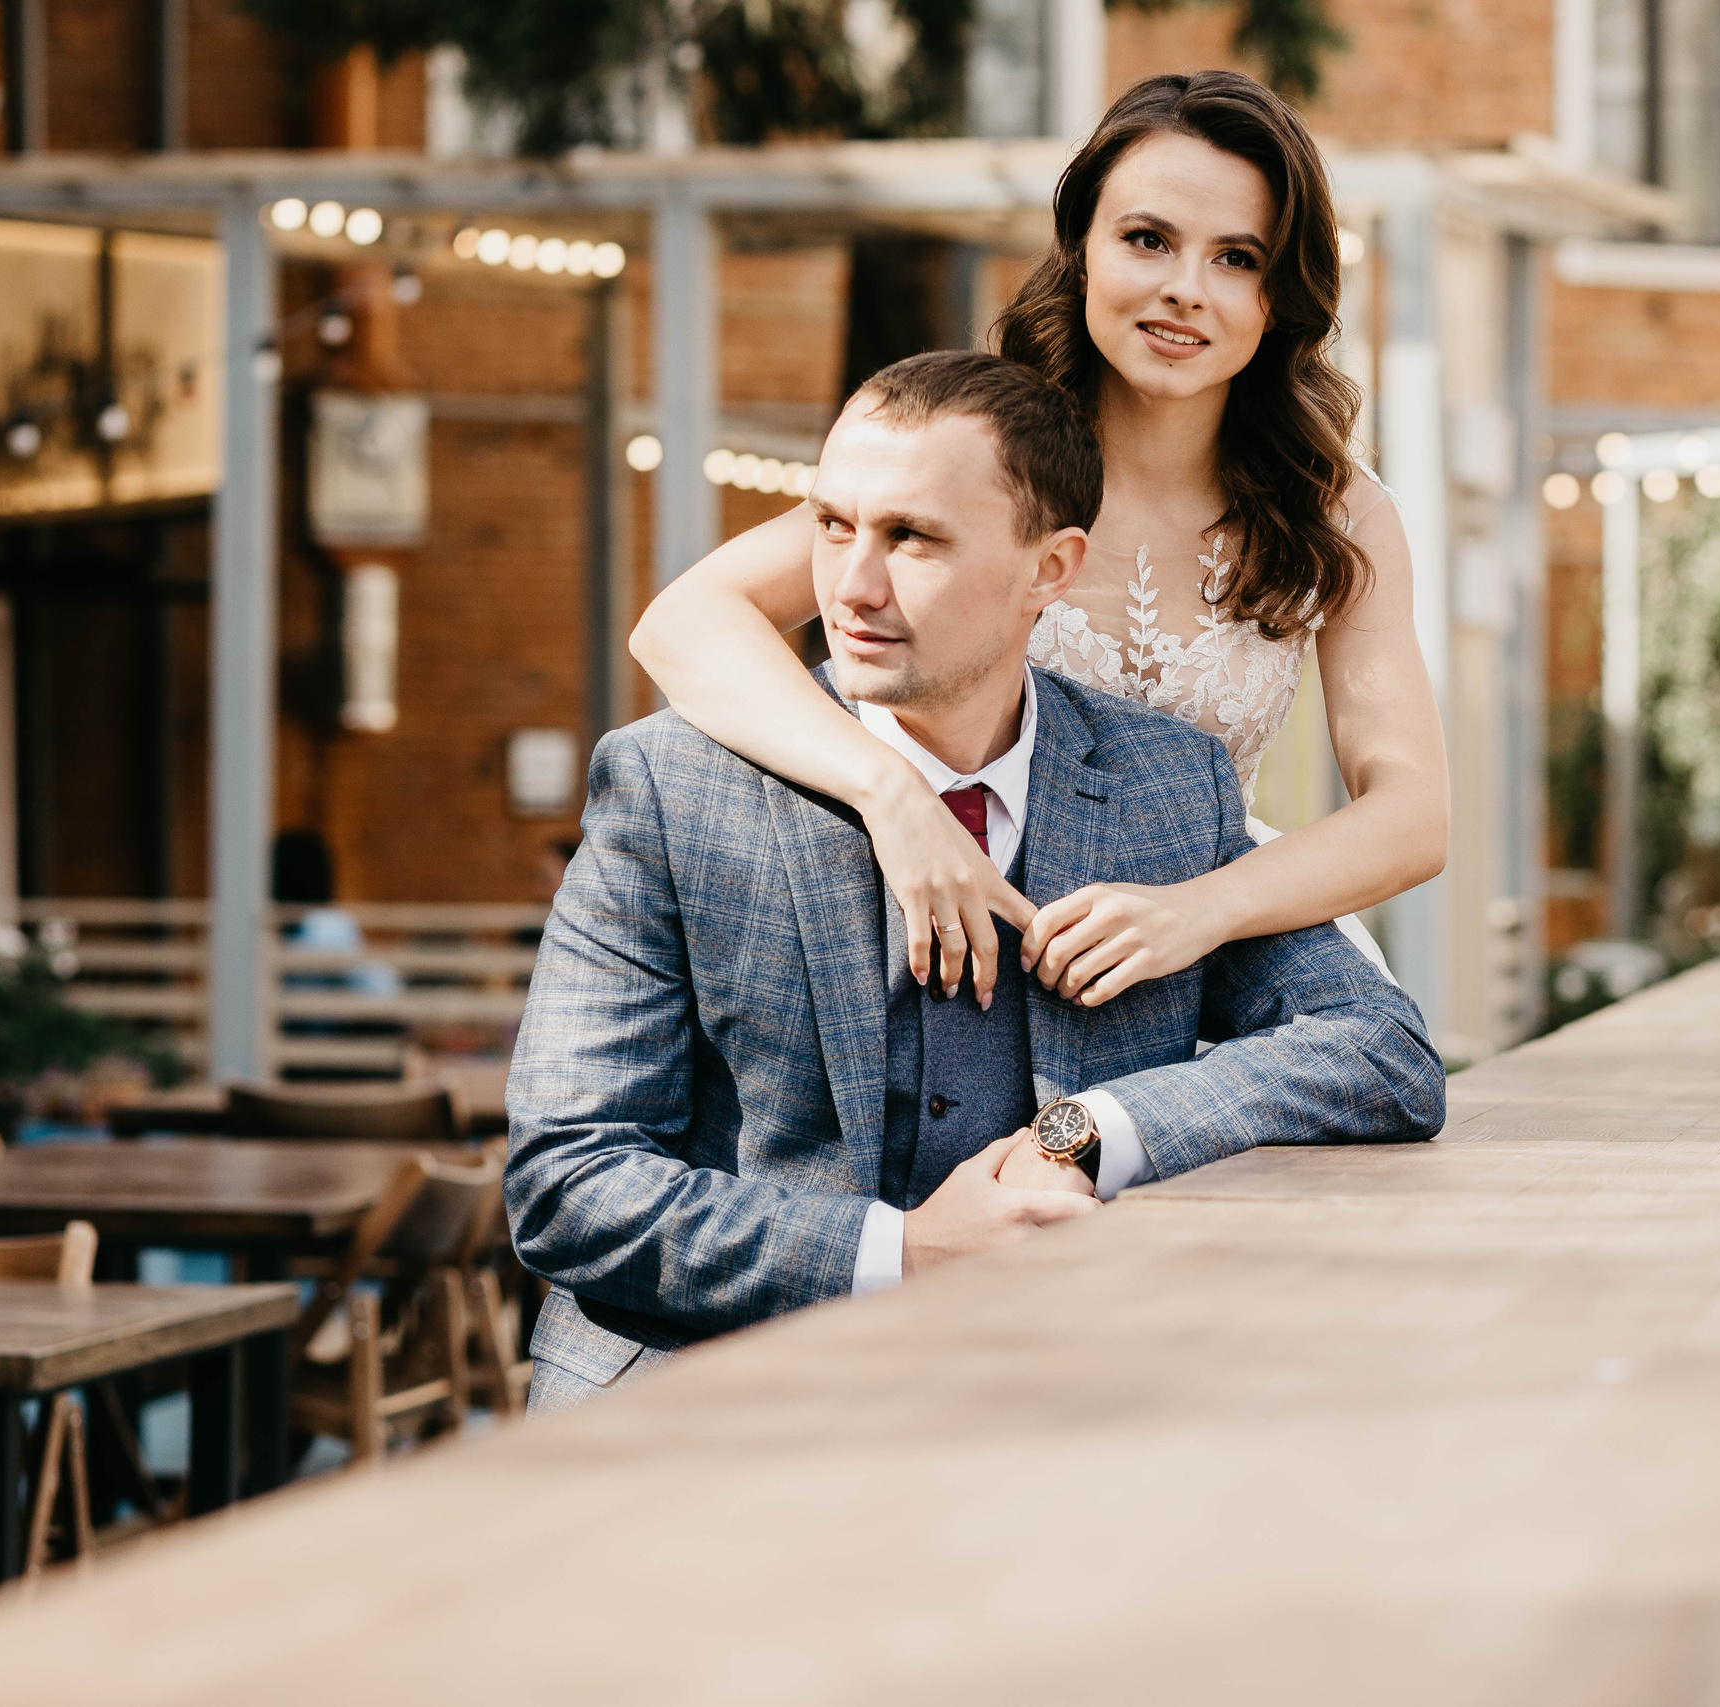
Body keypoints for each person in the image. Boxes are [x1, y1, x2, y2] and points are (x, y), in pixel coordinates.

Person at [506, 351, 1444, 1412]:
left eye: (911, 539)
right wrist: (898, 1251)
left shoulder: (1159, 786)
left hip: (1040, 1402)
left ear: (1050, 571)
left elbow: (1380, 1051)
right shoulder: (671, 787)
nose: (850, 587)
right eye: (829, 526)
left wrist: (1083, 1135)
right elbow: (567, 1186)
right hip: (702, 1400)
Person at [629, 70, 1444, 1013]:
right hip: (971, 926)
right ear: (1083, 251)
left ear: (1280, 295)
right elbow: (682, 624)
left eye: (1237, 258)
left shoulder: (1334, 509)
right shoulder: (974, 455)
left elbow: (1413, 813)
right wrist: (889, 793)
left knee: (1364, 1068)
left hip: (1212, 937)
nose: (1185, 290)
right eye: (1148, 240)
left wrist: (1198, 910)